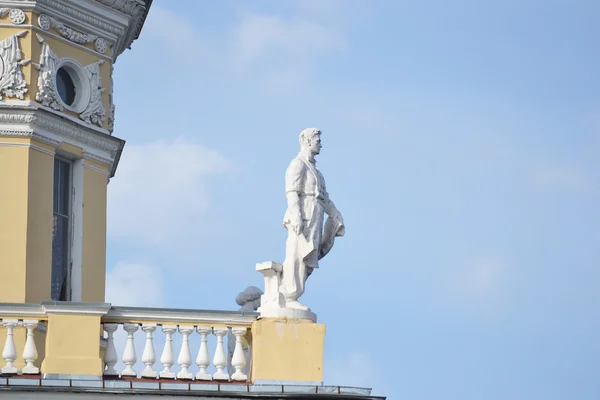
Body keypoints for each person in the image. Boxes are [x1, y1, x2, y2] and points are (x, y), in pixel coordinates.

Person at [280, 128, 345, 311]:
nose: (321, 144)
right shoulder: (297, 164)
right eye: (318, 140)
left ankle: (295, 291)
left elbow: (324, 197)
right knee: (297, 252)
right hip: (304, 212)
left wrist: (335, 213)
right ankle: (290, 293)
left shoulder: (316, 170)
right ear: (307, 141)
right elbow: (292, 192)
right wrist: (296, 215)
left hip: (316, 212)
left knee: (311, 255)